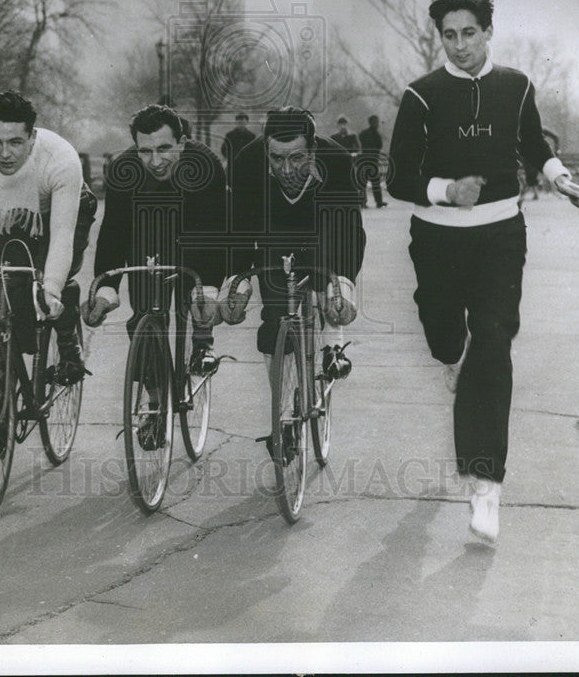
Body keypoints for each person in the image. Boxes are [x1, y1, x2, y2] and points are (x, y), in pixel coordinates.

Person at [387, 0, 579, 543]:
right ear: (440, 39)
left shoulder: (517, 86)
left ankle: (485, 485)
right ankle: (452, 356)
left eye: (468, 33)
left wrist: (556, 173)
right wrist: (447, 190)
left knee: (493, 344)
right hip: (438, 242)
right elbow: (397, 178)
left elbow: (530, 142)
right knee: (447, 339)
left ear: (487, 31)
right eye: (449, 35)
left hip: (500, 234)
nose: (460, 45)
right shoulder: (420, 96)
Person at [224, 106, 366, 455]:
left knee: (327, 285)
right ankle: (283, 411)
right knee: (274, 320)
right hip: (275, 234)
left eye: (297, 158)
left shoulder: (337, 161)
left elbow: (350, 231)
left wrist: (342, 284)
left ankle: (332, 341)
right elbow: (238, 230)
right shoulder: (246, 162)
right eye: (276, 159)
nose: (286, 169)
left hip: (322, 229)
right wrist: (238, 280)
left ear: (314, 149)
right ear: (265, 150)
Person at [0, 91, 97, 391]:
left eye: (15, 142)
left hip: (65, 209)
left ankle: (67, 341)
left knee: (49, 283)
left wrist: (51, 289)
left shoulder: (60, 159)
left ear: (32, 137)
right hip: (9, 213)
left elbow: (62, 234)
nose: (5, 153)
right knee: (4, 287)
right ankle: (2, 410)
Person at [83, 104, 227, 392]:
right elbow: (114, 232)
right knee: (146, 316)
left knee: (197, 298)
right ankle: (154, 399)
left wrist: (208, 287)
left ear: (182, 143)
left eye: (164, 149)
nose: (155, 161)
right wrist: (106, 286)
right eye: (145, 151)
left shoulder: (206, 163)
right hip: (150, 236)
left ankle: (201, 341)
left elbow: (217, 234)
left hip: (195, 234)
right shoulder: (124, 169)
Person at [358, 114, 387, 208]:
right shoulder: (376, 134)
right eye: (376, 122)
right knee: (374, 183)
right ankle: (378, 202)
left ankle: (363, 202)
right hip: (371, 161)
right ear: (371, 122)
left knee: (364, 183)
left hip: (366, 161)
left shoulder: (363, 133)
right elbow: (379, 146)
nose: (377, 124)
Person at [220, 112, 255, 183]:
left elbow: (254, 151)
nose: (241, 125)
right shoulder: (230, 135)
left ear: (246, 122)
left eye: (243, 122)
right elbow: (224, 149)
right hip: (233, 165)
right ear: (236, 122)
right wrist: (231, 157)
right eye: (239, 122)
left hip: (247, 166)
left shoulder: (251, 136)